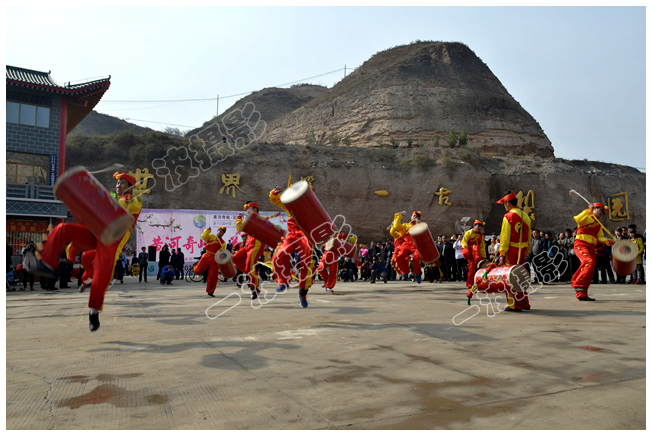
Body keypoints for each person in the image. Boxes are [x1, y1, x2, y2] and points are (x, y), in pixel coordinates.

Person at [24, 171, 142, 331]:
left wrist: (102, 197)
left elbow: (124, 204)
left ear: (131, 186)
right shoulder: (114, 198)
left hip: (112, 242)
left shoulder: (134, 201)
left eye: (122, 183)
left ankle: (94, 313)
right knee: (63, 229)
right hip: (97, 233)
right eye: (117, 183)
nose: (118, 185)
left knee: (101, 275)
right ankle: (49, 265)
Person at [269, 187, 317, 308]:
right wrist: (275, 192)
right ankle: (283, 282)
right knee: (279, 255)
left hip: (305, 235)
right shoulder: (290, 205)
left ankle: (303, 292)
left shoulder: (313, 209)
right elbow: (275, 200)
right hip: (291, 235)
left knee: (307, 263)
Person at [496, 190, 532, 311]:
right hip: (521, 251)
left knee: (510, 278)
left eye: (504, 204)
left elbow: (505, 237)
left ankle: (514, 305)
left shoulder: (508, 216)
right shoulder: (525, 216)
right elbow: (529, 236)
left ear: (508, 204)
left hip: (511, 251)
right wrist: (527, 249)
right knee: (520, 277)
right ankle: (524, 303)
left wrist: (502, 253)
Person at [571, 203, 613, 301]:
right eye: (601, 210)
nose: (602, 213)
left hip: (590, 247)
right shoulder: (587, 217)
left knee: (591, 266)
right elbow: (577, 219)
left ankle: (582, 293)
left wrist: (607, 241)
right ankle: (578, 283)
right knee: (588, 262)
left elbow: (600, 237)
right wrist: (588, 210)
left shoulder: (599, 225)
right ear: (594, 209)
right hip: (581, 244)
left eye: (603, 212)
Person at [234, 201, 266, 300]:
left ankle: (254, 288)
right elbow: (239, 229)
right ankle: (249, 272)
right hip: (248, 244)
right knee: (235, 258)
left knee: (249, 266)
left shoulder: (260, 218)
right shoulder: (249, 219)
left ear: (255, 209)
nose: (247, 211)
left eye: (249, 209)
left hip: (257, 245)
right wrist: (239, 218)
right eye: (247, 209)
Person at [193, 226, 226, 297]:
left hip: (215, 260)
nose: (221, 233)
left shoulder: (223, 243)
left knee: (213, 277)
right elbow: (204, 237)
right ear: (217, 231)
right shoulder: (211, 236)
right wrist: (208, 230)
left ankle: (210, 291)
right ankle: (196, 266)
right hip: (207, 256)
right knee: (197, 271)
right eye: (220, 232)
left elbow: (222, 252)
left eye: (222, 233)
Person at [393, 211, 423, 283]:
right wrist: (399, 215)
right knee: (400, 256)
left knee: (416, 258)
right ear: (411, 217)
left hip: (416, 244)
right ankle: (405, 272)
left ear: (419, 218)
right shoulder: (406, 225)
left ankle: (416, 274)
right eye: (413, 216)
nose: (414, 217)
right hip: (407, 243)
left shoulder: (421, 226)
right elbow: (396, 226)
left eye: (416, 216)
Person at [461, 220, 487, 290]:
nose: (479, 227)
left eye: (481, 226)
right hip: (469, 251)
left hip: (476, 253)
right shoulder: (468, 233)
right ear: (474, 226)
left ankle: (479, 283)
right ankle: (470, 284)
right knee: (472, 269)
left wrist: (483, 257)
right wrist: (466, 246)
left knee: (476, 269)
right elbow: (463, 243)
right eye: (478, 226)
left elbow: (482, 247)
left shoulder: (481, 236)